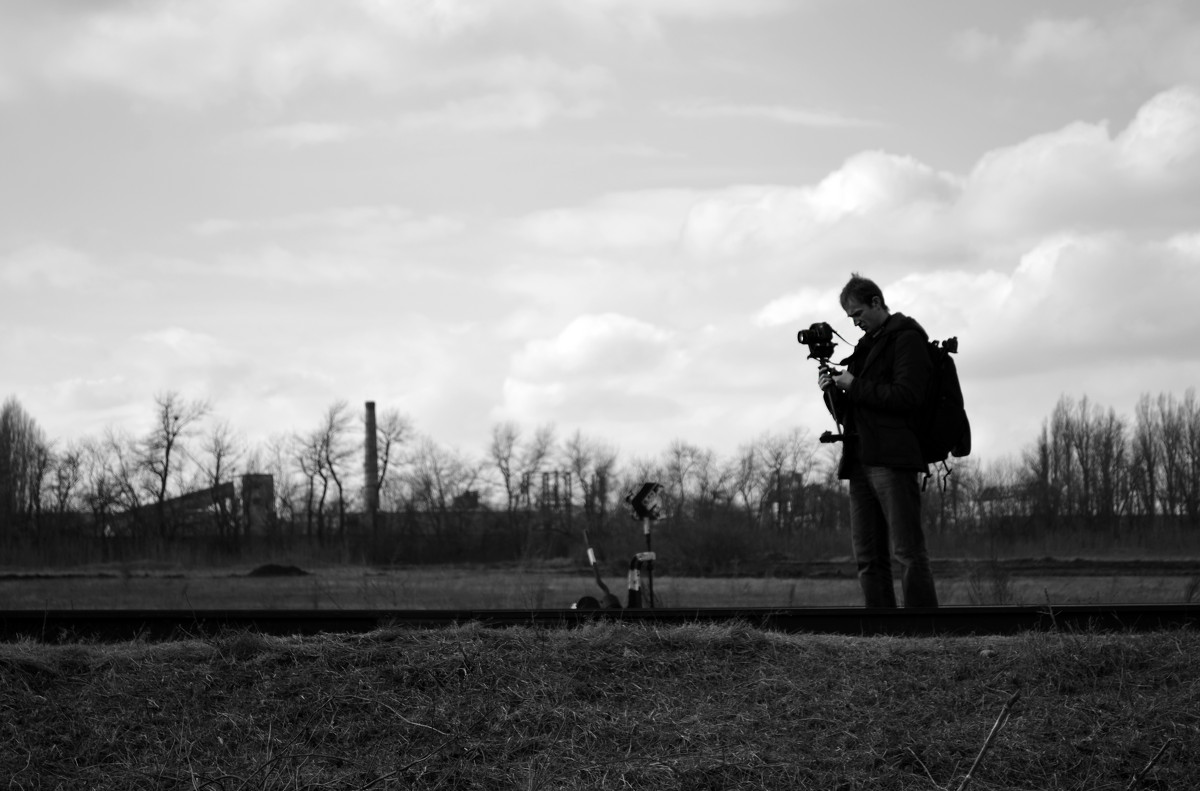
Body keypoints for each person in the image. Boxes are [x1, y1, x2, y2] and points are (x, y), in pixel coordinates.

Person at [818, 273, 939, 608]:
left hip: (893, 459)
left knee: (907, 552)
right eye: (850, 317)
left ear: (876, 302)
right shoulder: (865, 347)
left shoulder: (907, 339)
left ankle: (924, 631)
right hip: (859, 460)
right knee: (868, 557)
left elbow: (907, 396)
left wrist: (853, 385)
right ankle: (882, 634)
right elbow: (851, 412)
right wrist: (832, 390)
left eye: (858, 314)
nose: (855, 322)